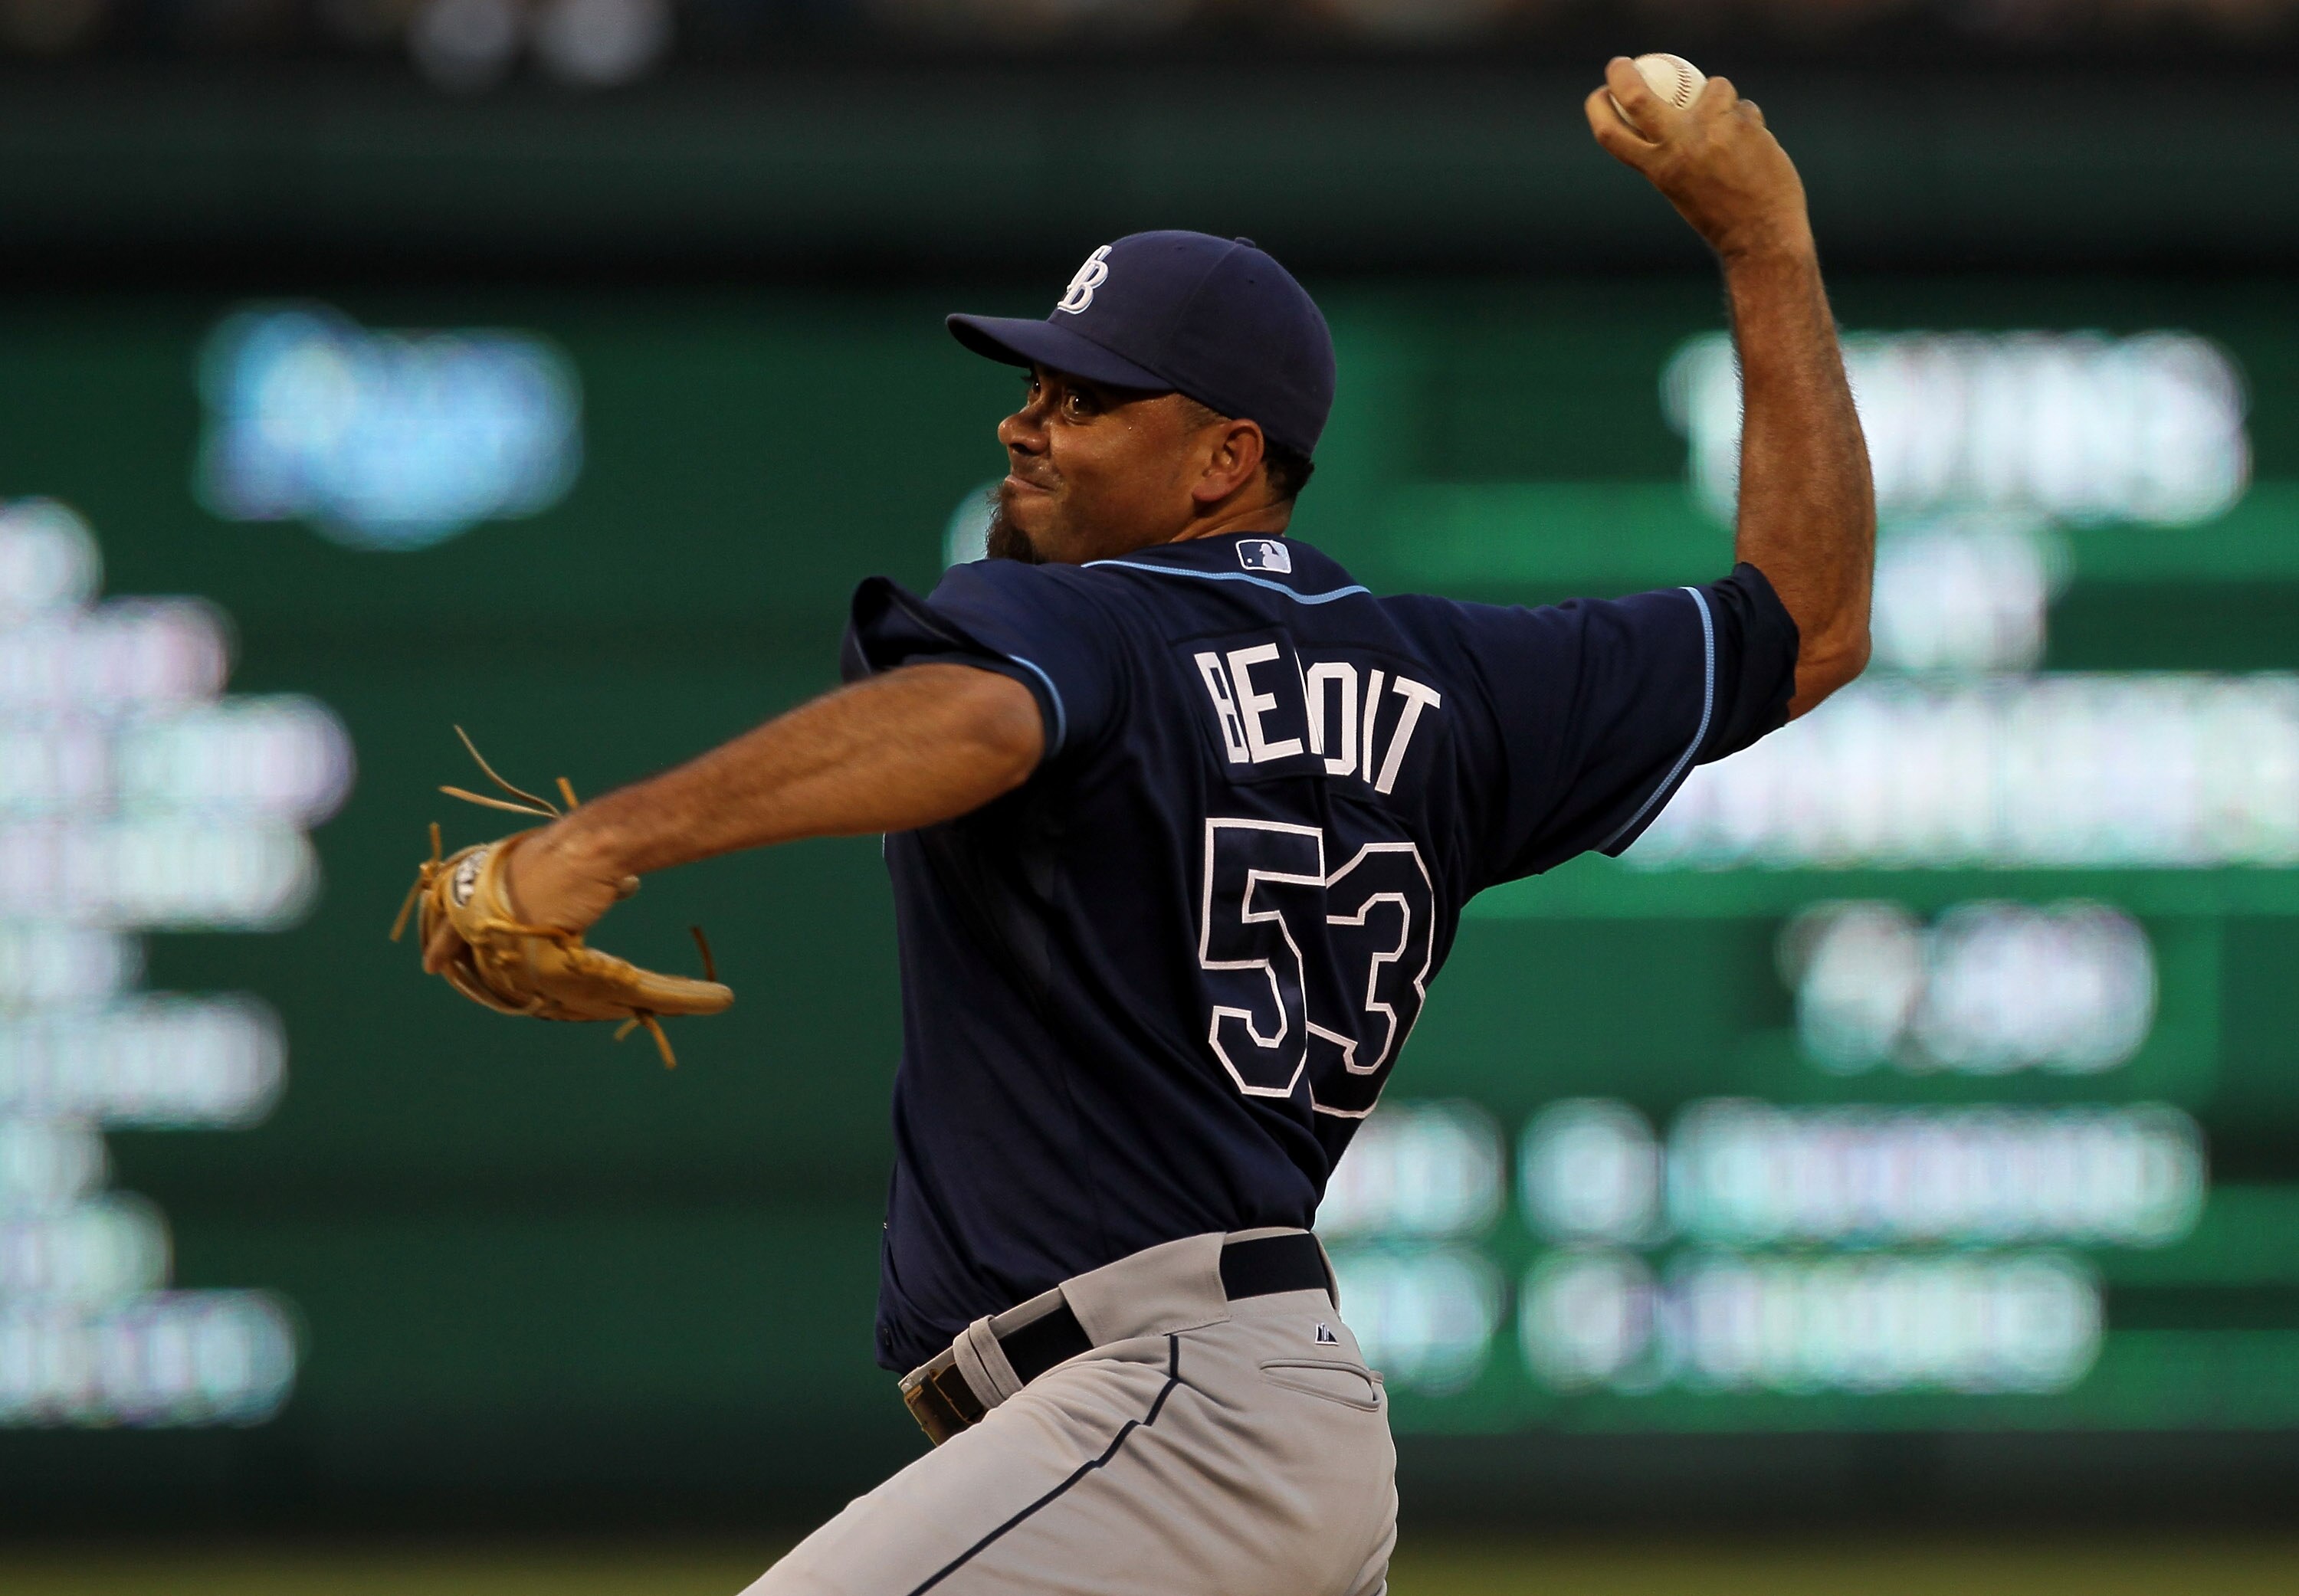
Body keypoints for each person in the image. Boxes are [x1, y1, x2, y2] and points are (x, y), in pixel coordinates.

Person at [426, 58, 1872, 1596]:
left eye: (1089, 398)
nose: (1029, 427)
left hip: (1170, 1409)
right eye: (1036, 386)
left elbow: (980, 717)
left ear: (1225, 461)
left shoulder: (1081, 625)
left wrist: (605, 843)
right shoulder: (1463, 683)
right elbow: (1814, 618)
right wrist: (1766, 243)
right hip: (1234, 1430)